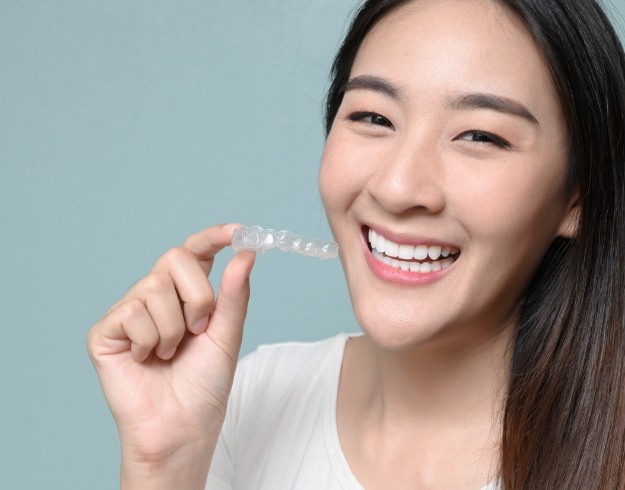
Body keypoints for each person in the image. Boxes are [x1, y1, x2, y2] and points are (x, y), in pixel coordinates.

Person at [87, 0, 625, 488]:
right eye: (372, 116)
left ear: (577, 198)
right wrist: (164, 467)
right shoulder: (252, 396)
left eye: (480, 136)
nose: (396, 188)